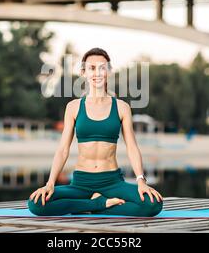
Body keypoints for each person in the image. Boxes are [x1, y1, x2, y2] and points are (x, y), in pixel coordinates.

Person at [28, 47, 163, 216]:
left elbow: (132, 147)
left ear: (109, 71)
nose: (97, 73)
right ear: (84, 72)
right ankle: (98, 203)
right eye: (92, 68)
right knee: (36, 204)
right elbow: (63, 149)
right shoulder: (73, 107)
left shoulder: (122, 107)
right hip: (80, 183)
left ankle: (91, 206)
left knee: (153, 204)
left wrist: (141, 181)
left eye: (102, 68)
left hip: (112, 182)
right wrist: (50, 183)